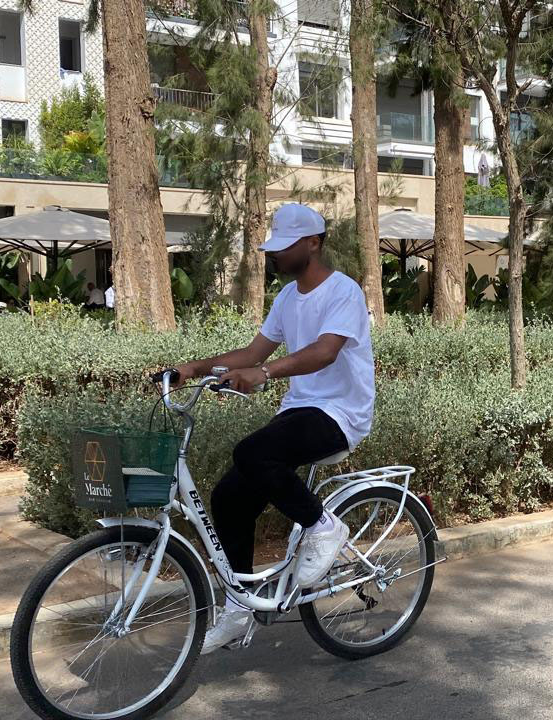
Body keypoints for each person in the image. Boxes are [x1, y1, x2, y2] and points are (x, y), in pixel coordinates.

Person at [168, 203, 375, 652]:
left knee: (252, 452)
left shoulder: (344, 292)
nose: (275, 256)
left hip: (341, 414)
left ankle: (323, 526)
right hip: (300, 411)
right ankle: (241, 607)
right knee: (228, 498)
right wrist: (193, 367)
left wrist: (264, 375)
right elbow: (254, 351)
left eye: (284, 248)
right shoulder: (286, 297)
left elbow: (324, 352)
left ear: (313, 243)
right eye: (274, 248)